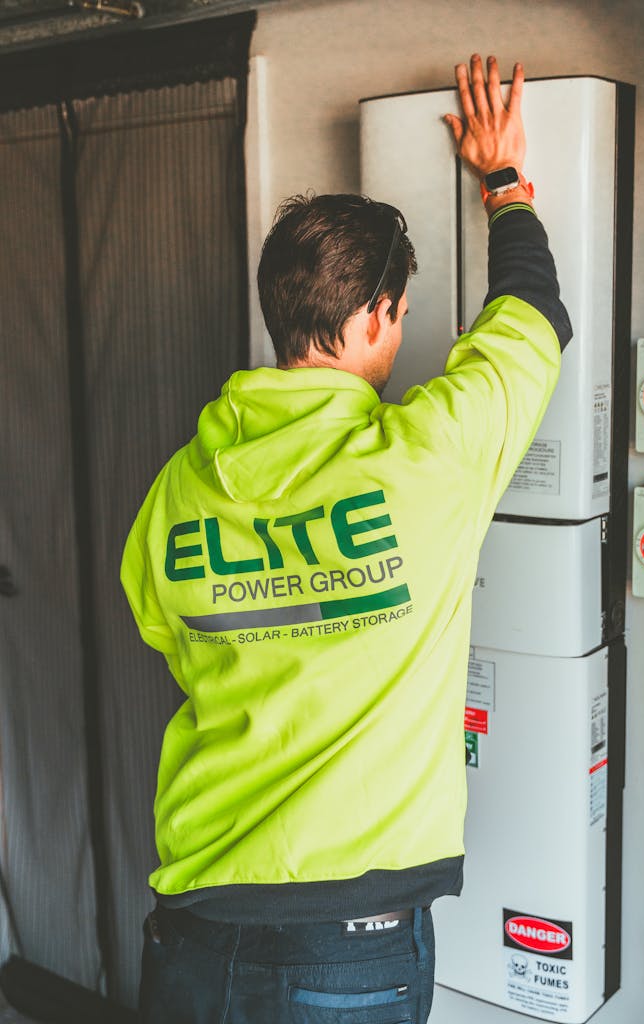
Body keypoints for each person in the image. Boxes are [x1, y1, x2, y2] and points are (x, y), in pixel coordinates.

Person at [121, 54, 571, 1024]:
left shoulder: (180, 487)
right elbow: (532, 320)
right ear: (378, 315)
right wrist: (505, 181)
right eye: (400, 314)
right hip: (349, 937)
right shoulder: (427, 457)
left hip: (194, 920)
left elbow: (173, 638)